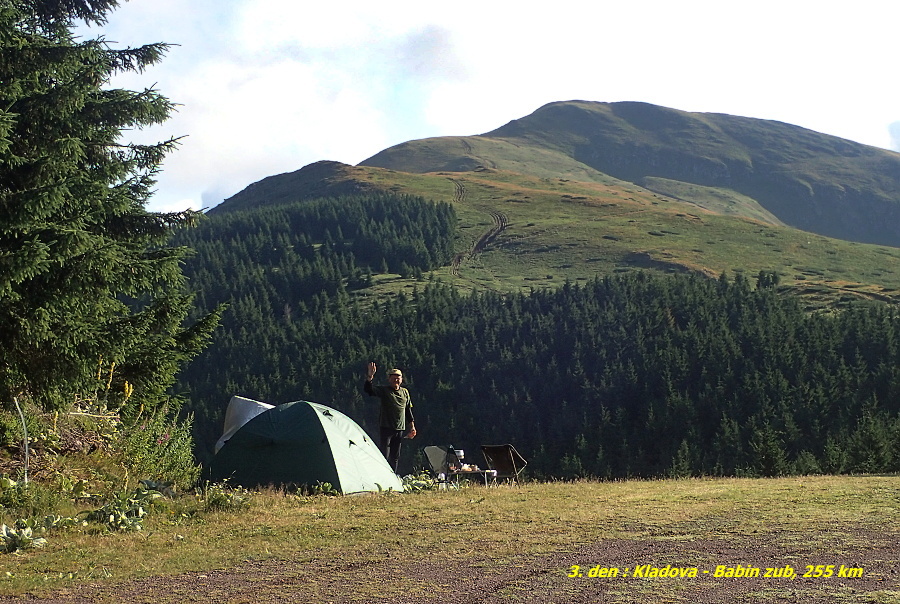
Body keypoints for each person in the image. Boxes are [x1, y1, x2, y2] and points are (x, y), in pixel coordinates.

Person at [364, 361, 416, 472]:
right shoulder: (385, 390)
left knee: (395, 457)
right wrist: (370, 377)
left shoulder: (405, 392)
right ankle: (382, 477)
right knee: (384, 455)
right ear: (389, 379)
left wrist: (412, 427)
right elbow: (369, 390)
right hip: (386, 427)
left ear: (401, 380)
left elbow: (408, 411)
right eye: (393, 378)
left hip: (399, 429)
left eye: (398, 378)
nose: (396, 380)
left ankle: (392, 479)